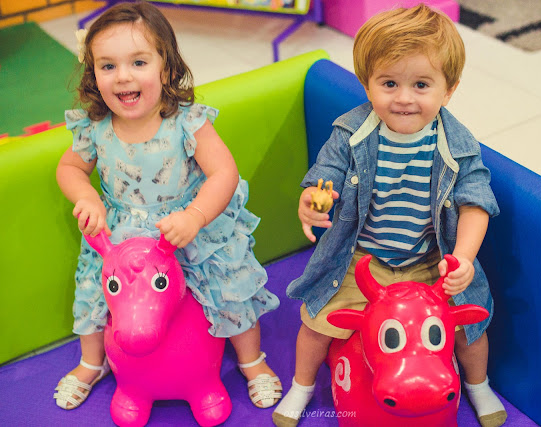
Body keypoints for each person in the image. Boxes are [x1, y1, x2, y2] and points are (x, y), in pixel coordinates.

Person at [273, 5, 506, 427]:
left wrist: (463, 259)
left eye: (421, 85)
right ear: (367, 84)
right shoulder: (351, 132)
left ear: (448, 90)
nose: (403, 98)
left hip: (430, 263)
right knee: (316, 321)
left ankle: (478, 385)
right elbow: (324, 176)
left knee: (469, 324)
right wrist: (312, 200)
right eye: (389, 83)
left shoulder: (456, 144)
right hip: (360, 260)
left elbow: (476, 202)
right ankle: (301, 386)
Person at [53, 1, 281, 411]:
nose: (123, 76)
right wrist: (86, 196)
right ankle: (92, 362)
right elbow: (69, 167)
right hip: (121, 237)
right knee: (92, 289)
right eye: (108, 66)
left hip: (187, 230)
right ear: (93, 74)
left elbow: (224, 173)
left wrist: (195, 216)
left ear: (167, 68)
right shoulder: (94, 127)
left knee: (229, 284)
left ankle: (252, 361)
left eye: (138, 62)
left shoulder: (186, 121)